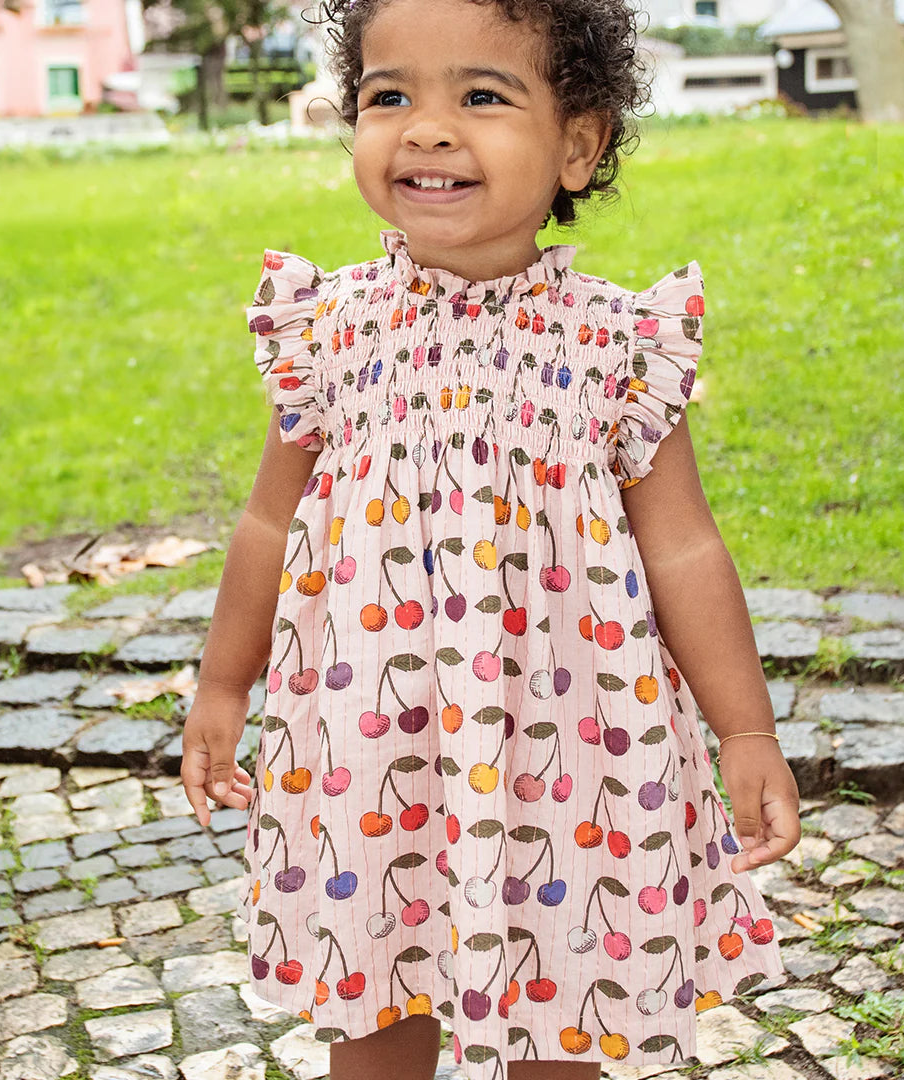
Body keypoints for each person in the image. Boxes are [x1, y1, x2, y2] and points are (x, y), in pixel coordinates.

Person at [181, 0, 802, 1075]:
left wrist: (744, 730)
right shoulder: (329, 332)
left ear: (578, 145)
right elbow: (268, 521)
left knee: (567, 983)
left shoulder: (618, 346)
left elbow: (684, 550)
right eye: (389, 96)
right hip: (374, 741)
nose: (426, 129)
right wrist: (224, 685)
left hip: (572, 745)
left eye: (480, 95)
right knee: (376, 989)